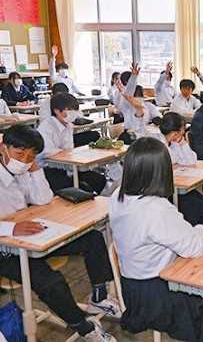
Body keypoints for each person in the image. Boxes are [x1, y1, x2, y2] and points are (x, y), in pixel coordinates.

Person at [109, 137, 203, 341]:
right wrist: (201, 228)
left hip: (133, 290)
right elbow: (196, 247)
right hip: (159, 297)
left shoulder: (118, 196)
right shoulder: (156, 209)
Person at [0, 125, 121, 341]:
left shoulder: (23, 170)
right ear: (3, 149)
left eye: (31, 156)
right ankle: (84, 328)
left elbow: (43, 199)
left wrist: (34, 168)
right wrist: (11, 228)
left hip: (30, 239)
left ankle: (99, 298)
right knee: (51, 282)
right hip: (5, 250)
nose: (24, 160)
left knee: (93, 239)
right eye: (19, 154)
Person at [124, 95, 203, 225]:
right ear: (175, 132)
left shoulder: (176, 143)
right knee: (190, 204)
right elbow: (139, 130)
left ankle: (200, 224)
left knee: (198, 199)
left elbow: (190, 161)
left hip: (174, 182)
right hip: (157, 188)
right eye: (182, 130)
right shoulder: (154, 141)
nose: (184, 132)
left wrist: (182, 142)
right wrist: (139, 110)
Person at [37, 93, 107, 194]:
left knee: (98, 180)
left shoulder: (68, 125)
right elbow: (47, 153)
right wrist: (67, 155)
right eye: (69, 109)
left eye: (75, 109)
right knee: (76, 189)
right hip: (48, 170)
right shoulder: (46, 127)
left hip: (67, 166)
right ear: (57, 111)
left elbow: (69, 149)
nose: (73, 113)